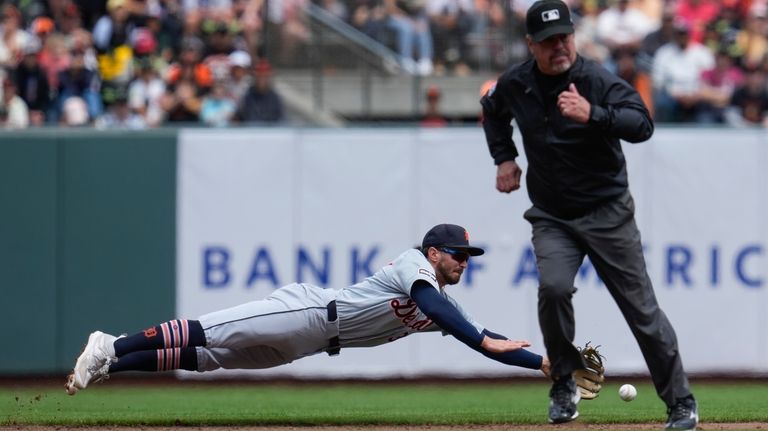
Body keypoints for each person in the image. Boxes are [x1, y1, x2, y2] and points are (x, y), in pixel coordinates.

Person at [479, 1, 698, 430]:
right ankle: (564, 381)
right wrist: (504, 158)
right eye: (548, 41)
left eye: (564, 36)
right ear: (531, 45)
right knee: (554, 289)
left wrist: (593, 114)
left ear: (573, 36)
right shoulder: (517, 83)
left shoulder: (595, 80)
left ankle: (681, 402)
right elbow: (492, 110)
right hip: (552, 215)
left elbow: (641, 124)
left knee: (642, 312)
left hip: (607, 213)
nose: (558, 46)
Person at [65, 223, 551, 395]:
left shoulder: (443, 304)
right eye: (459, 255)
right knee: (209, 331)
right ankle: (110, 342)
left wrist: (545, 364)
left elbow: (488, 342)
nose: (466, 263)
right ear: (433, 254)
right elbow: (441, 313)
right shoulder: (413, 268)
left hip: (313, 344)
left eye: (469, 258)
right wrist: (482, 339)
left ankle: (113, 363)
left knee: (206, 360)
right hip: (311, 311)